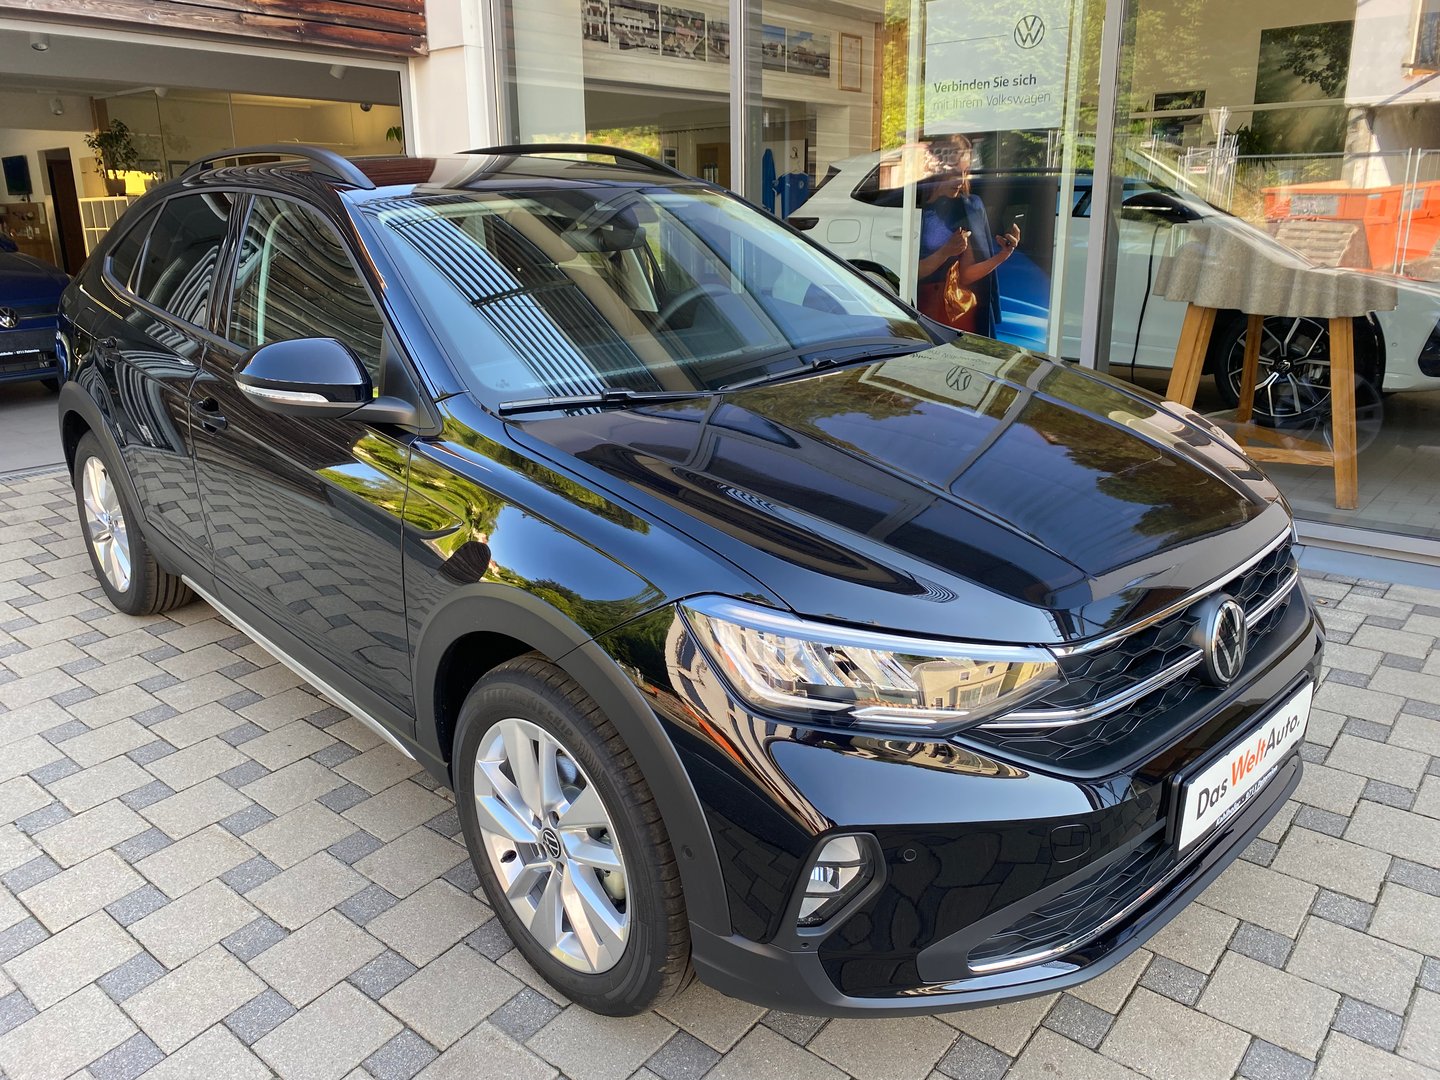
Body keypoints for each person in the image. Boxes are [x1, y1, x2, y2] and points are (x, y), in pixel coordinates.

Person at [914, 134, 1020, 335]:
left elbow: (967, 274)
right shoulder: (913, 207)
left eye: (966, 172)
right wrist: (945, 252)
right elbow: (909, 272)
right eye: (955, 173)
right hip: (920, 310)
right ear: (937, 169)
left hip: (959, 314)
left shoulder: (970, 207)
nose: (961, 180)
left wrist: (1003, 255)